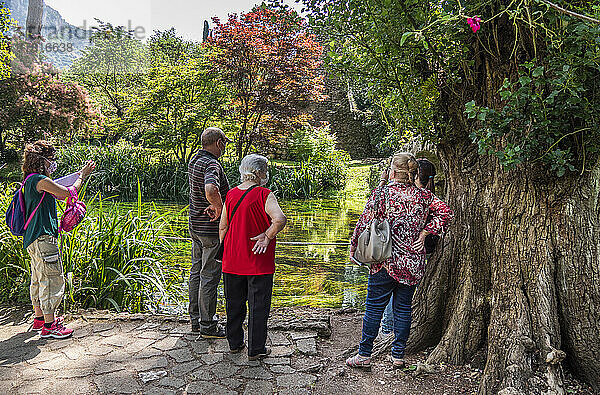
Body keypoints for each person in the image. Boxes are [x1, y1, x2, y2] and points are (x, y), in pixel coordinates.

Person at [346, 152, 453, 369]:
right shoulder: (423, 196)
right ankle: (398, 355)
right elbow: (446, 213)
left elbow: (364, 221)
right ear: (412, 173)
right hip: (413, 262)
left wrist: (354, 245)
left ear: (393, 171)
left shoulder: (382, 193)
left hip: (384, 260)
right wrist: (425, 233)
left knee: (374, 308)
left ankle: (364, 354)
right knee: (404, 308)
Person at [21, 140, 95, 339]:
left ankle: (39, 319)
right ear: (41, 161)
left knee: (38, 278)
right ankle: (50, 326)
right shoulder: (40, 180)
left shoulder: (29, 180)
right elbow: (67, 193)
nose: (52, 164)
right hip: (44, 237)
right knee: (52, 279)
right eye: (51, 160)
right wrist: (81, 175)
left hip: (33, 238)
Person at [219, 154, 287, 360]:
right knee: (258, 306)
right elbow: (280, 219)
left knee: (234, 304)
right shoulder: (265, 194)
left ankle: (234, 343)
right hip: (258, 261)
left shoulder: (230, 195)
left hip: (232, 261)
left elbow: (223, 226)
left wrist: (229, 247)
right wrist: (266, 236)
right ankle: (256, 349)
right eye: (265, 170)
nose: (266, 174)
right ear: (258, 173)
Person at [380, 157, 438, 335]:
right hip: (422, 252)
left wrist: (384, 181)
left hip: (403, 252)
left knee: (393, 293)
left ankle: (388, 329)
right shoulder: (429, 196)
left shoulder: (415, 196)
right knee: (405, 298)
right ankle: (398, 337)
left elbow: (379, 204)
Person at [188, 127, 232, 337]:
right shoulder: (211, 163)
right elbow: (210, 189)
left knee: (196, 271)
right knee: (209, 275)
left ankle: (196, 321)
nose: (224, 147)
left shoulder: (195, 159)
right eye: (224, 143)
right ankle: (208, 325)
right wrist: (220, 209)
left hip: (195, 225)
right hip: (210, 228)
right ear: (218, 143)